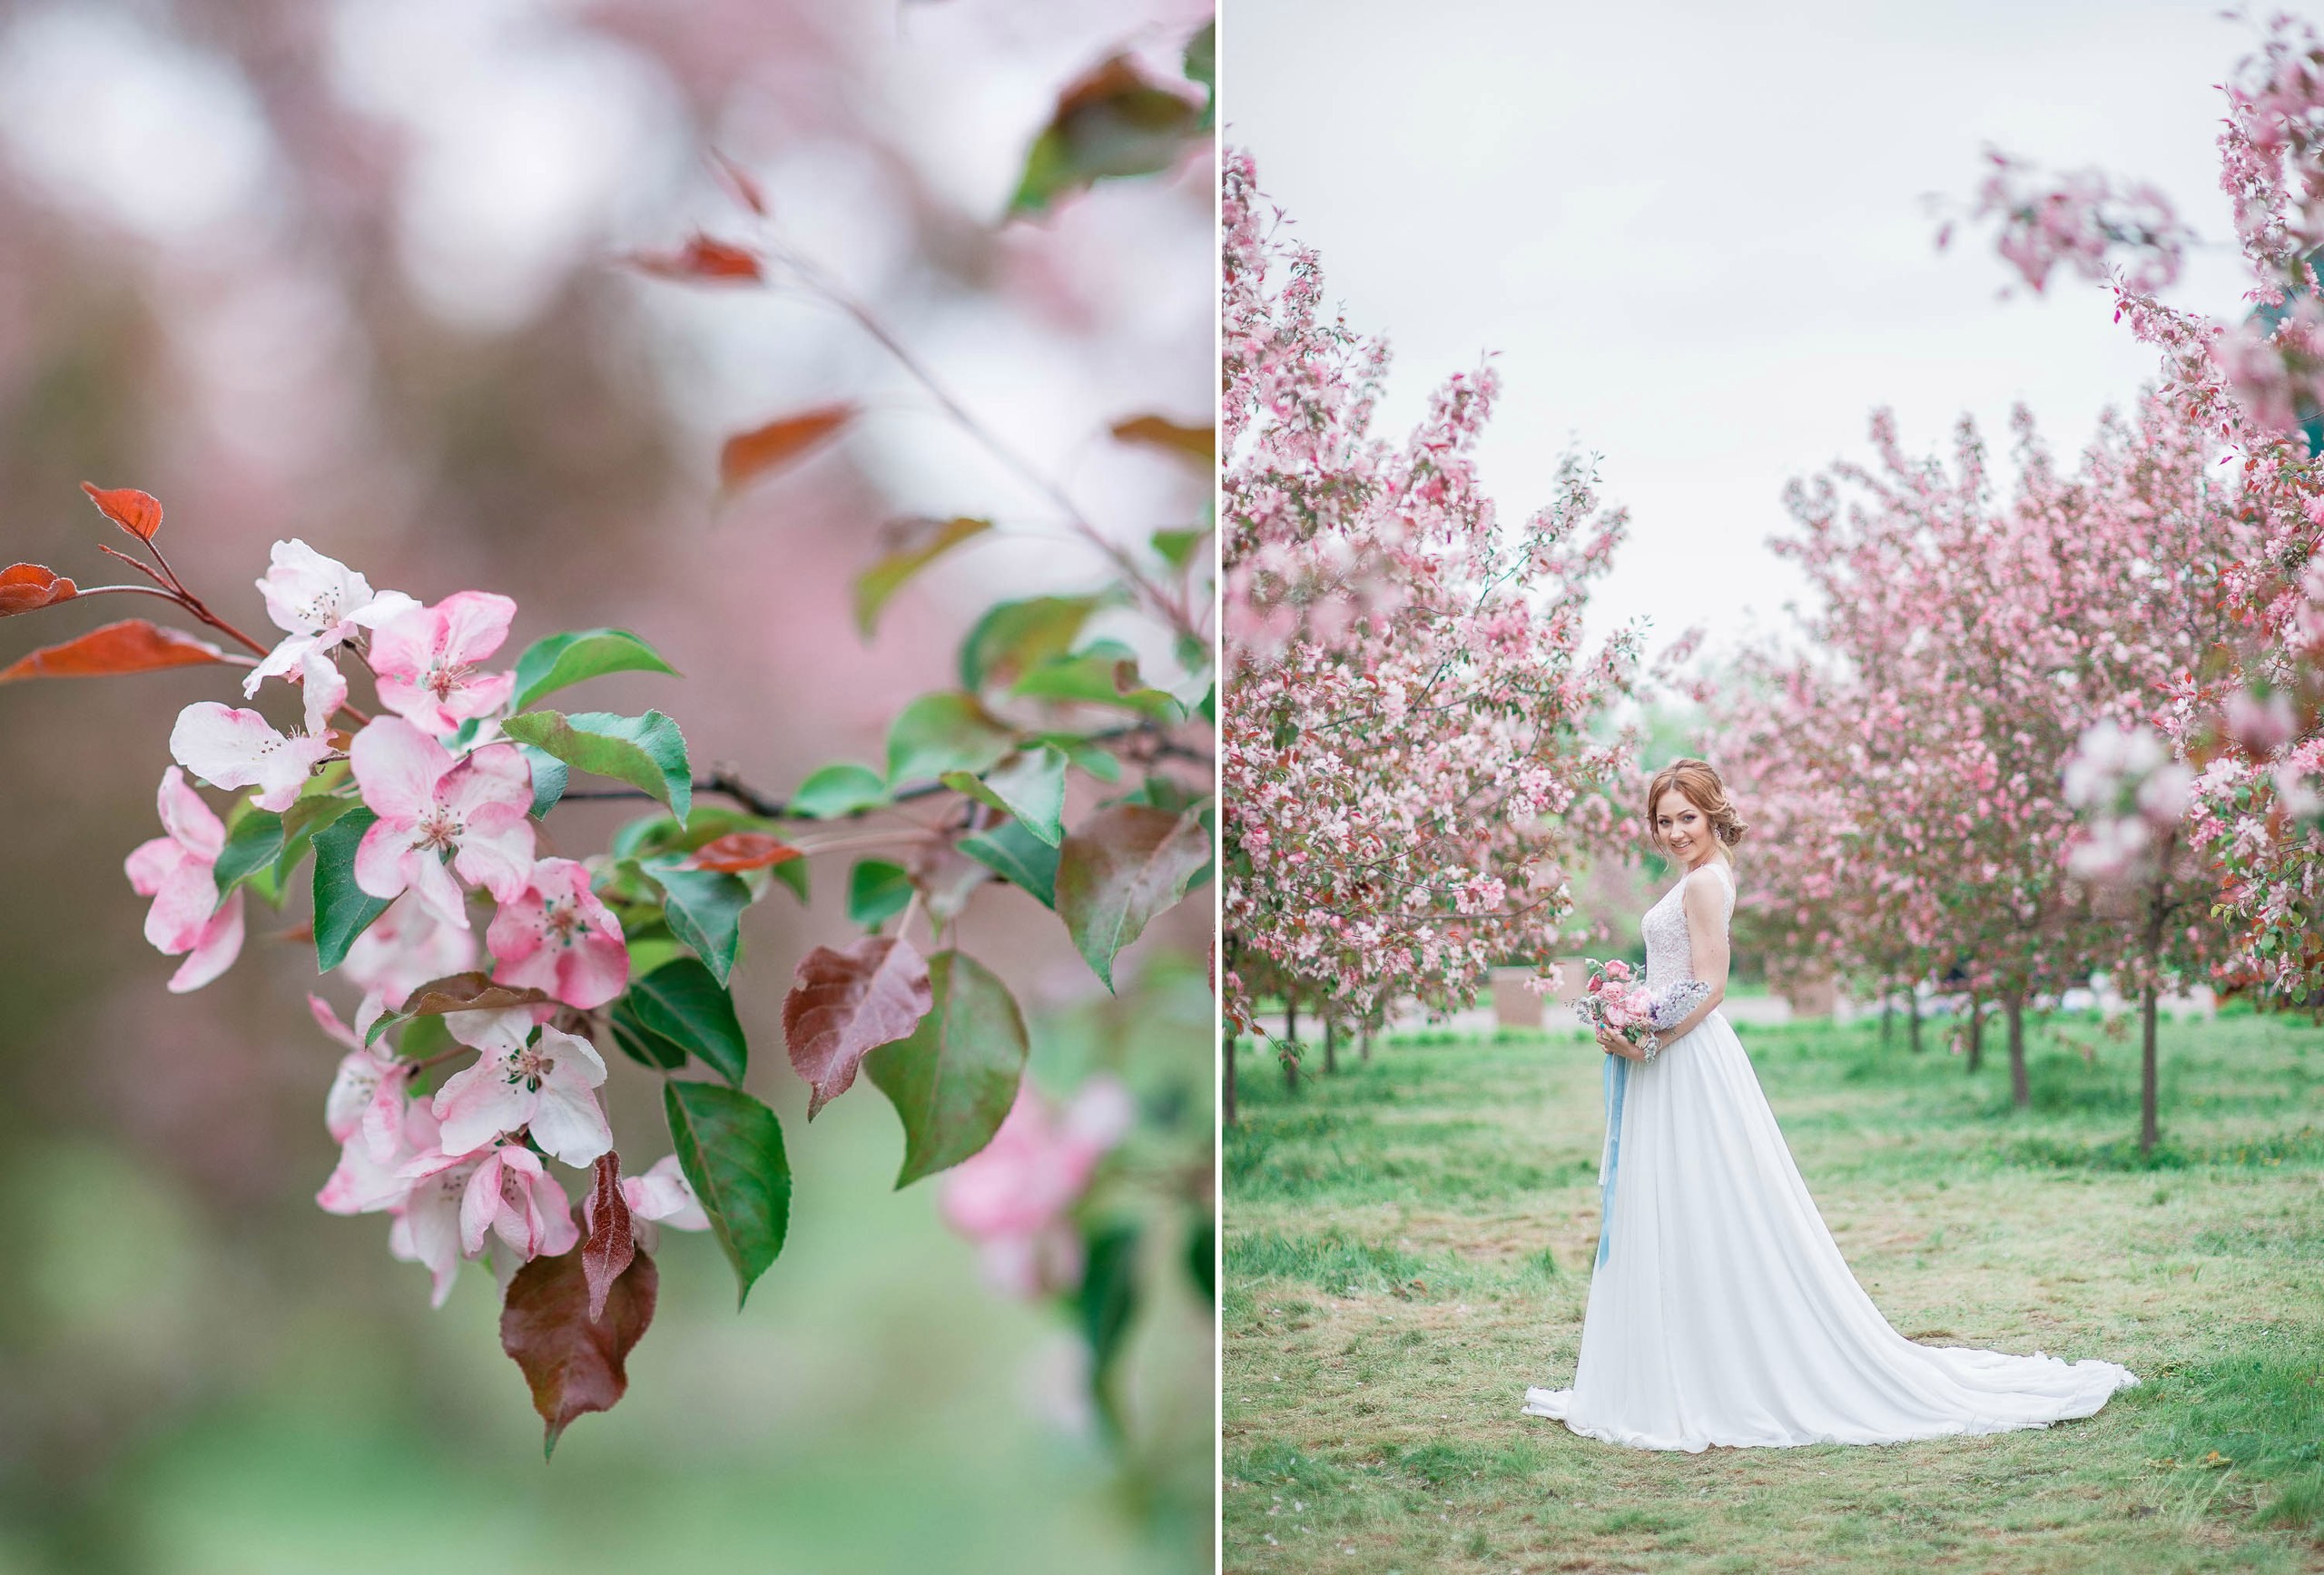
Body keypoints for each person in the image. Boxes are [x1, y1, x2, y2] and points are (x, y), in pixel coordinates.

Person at [1522, 758, 2137, 1451]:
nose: (1675, 831)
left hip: (1683, 1056)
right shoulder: (1700, 878)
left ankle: (1701, 1371)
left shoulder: (1703, 883)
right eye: (1664, 821)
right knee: (1678, 1199)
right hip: (1669, 1054)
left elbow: (1708, 986)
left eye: (1686, 817)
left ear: (1712, 811)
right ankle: (1677, 1360)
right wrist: (1629, 1013)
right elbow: (1682, 981)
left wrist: (1649, 1038)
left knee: (1699, 1198)